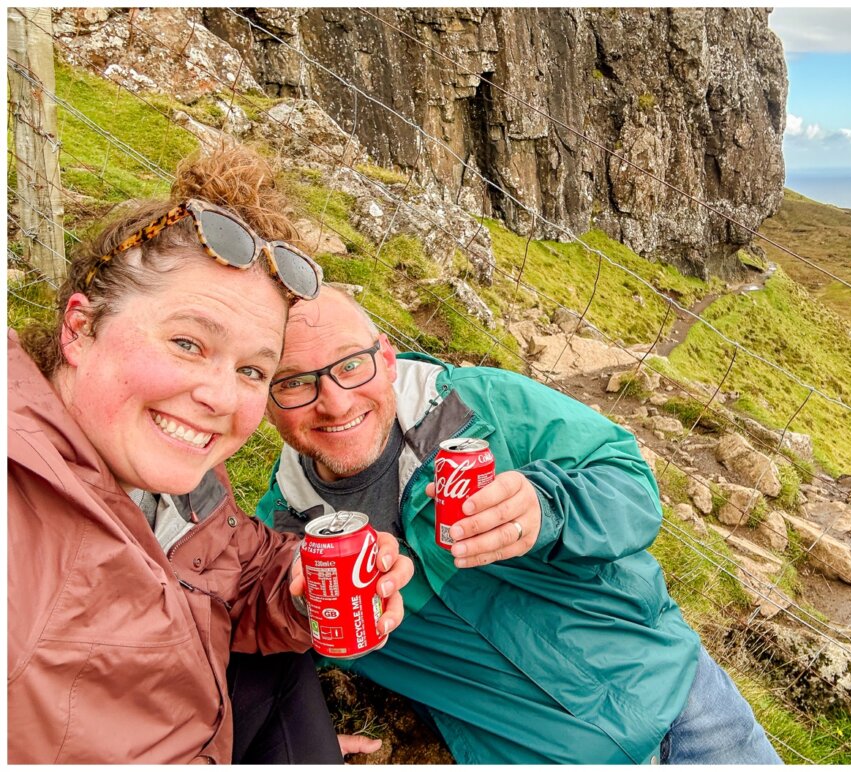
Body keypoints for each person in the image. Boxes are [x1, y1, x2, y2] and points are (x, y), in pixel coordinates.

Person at [256, 284, 783, 764]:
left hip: (685, 700)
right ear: (265, 401)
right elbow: (241, 648)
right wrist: (290, 739)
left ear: (387, 357)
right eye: (296, 383)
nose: (336, 402)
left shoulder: (482, 405)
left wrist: (548, 507)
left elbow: (633, 486)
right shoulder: (281, 532)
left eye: (351, 365)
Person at [7, 147, 412, 764]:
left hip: (202, 711)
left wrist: (299, 587)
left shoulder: (162, 465)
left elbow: (230, 565)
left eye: (252, 369)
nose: (221, 397)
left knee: (280, 668)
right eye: (188, 342)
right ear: (79, 329)